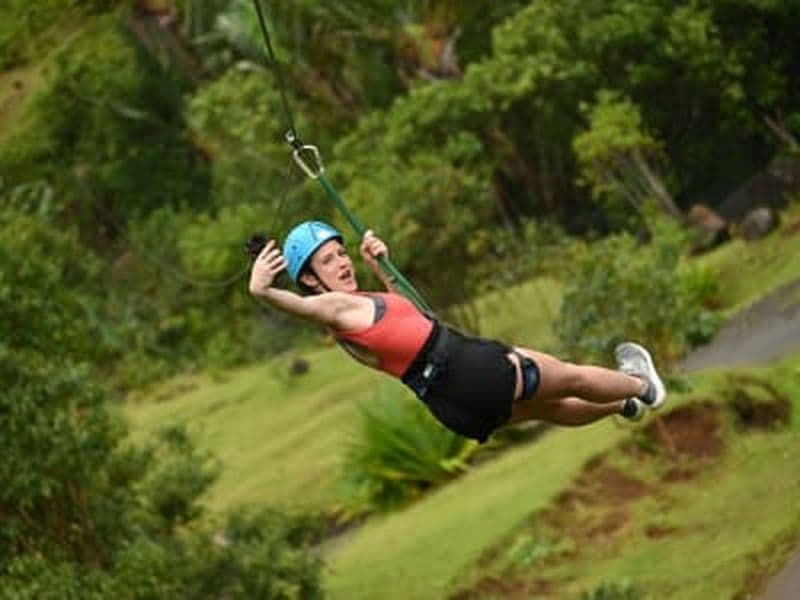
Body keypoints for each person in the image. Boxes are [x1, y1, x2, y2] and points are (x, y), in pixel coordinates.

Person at [248, 220, 666, 443]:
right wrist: (263, 289)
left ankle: (620, 406)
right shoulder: (332, 309)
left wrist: (382, 267)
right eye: (328, 261)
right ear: (309, 280)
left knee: (551, 408)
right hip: (468, 368)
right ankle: (640, 384)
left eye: (341, 253)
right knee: (569, 376)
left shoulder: (357, 310)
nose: (342, 263)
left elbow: (417, 317)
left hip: (452, 400)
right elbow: (302, 307)